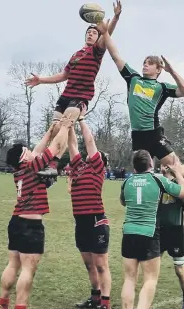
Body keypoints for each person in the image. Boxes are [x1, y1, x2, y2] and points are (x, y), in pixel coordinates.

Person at [94, 19, 184, 189]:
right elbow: (115, 55)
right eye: (144, 62)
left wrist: (172, 71)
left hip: (154, 135)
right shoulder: (133, 79)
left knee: (176, 169)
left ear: (158, 70)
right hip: (137, 135)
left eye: (150, 63)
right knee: (141, 178)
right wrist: (105, 31)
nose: (145, 64)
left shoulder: (161, 87)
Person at [25, 0, 123, 176]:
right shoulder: (76, 55)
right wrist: (41, 80)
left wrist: (115, 17)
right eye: (89, 32)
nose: (91, 34)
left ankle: (53, 165)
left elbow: (107, 32)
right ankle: (45, 164)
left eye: (95, 32)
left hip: (80, 97)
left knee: (64, 127)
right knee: (54, 129)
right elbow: (63, 75)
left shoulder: (97, 51)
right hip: (65, 96)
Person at [0, 117, 73, 309]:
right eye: (27, 151)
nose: (32, 151)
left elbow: (38, 150)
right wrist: (65, 126)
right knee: (28, 269)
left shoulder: (20, 170)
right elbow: (55, 147)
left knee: (13, 264)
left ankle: (3, 302)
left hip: (15, 221)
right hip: (31, 225)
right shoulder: (33, 166)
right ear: (24, 157)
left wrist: (49, 130)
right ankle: (21, 305)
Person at [119, 150, 184, 309]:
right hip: (148, 234)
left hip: (129, 233)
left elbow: (123, 202)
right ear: (151, 164)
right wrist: (178, 174)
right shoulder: (158, 179)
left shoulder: (126, 182)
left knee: (129, 279)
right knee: (150, 279)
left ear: (134, 166)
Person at [67, 120, 112, 309]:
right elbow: (72, 144)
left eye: (95, 156)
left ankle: (105, 303)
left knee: (101, 265)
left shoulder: (97, 169)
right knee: (89, 265)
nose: (90, 155)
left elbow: (89, 141)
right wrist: (68, 125)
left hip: (96, 220)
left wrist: (81, 120)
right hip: (81, 222)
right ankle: (95, 299)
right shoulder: (78, 167)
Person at [157, 164, 184, 309]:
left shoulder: (178, 185)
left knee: (179, 270)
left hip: (175, 231)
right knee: (152, 268)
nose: (164, 167)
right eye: (162, 164)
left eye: (167, 164)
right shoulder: (157, 184)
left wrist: (183, 198)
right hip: (158, 231)